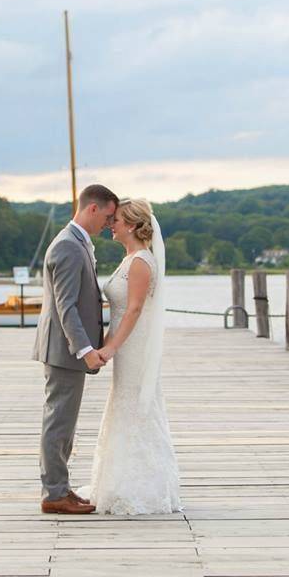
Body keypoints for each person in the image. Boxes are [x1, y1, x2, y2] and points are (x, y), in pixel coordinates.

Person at [78, 198, 182, 515]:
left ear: (134, 226)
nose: (112, 225)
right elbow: (120, 311)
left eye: (118, 221)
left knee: (137, 408)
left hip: (135, 348)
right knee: (123, 407)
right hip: (125, 345)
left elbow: (134, 309)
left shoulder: (141, 263)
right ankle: (117, 480)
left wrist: (110, 347)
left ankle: (142, 487)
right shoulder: (129, 259)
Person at [33, 184, 118, 514]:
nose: (109, 224)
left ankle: (60, 487)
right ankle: (54, 494)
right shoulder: (68, 246)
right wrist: (85, 349)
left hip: (65, 349)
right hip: (64, 350)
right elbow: (65, 306)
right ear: (92, 209)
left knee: (63, 422)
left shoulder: (77, 243)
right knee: (59, 422)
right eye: (108, 217)